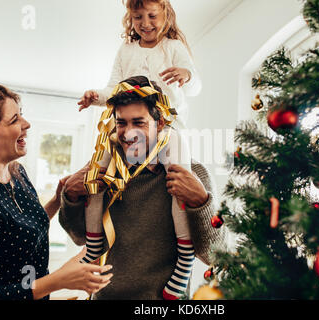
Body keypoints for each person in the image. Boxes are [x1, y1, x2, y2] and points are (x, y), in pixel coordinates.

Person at [76, 0, 202, 300]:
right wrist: (96, 97)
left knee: (177, 188)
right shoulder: (127, 51)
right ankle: (94, 242)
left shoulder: (172, 47)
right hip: (130, 134)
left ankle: (184, 259)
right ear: (129, 19)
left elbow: (195, 84)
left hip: (167, 128)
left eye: (152, 16)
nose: (145, 23)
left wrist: (186, 75)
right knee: (96, 176)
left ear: (166, 15)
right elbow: (112, 89)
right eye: (137, 17)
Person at [59, 76, 226, 300]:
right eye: (121, 123)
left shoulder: (192, 174)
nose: (129, 133)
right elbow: (79, 237)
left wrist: (202, 202)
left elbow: (216, 255)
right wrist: (70, 196)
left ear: (159, 124)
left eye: (139, 123)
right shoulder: (102, 170)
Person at [0, 84, 113, 300]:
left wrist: (57, 200)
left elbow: (19, 232)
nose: (26, 124)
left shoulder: (16, 173)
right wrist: (60, 279)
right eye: (14, 120)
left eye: (22, 115)